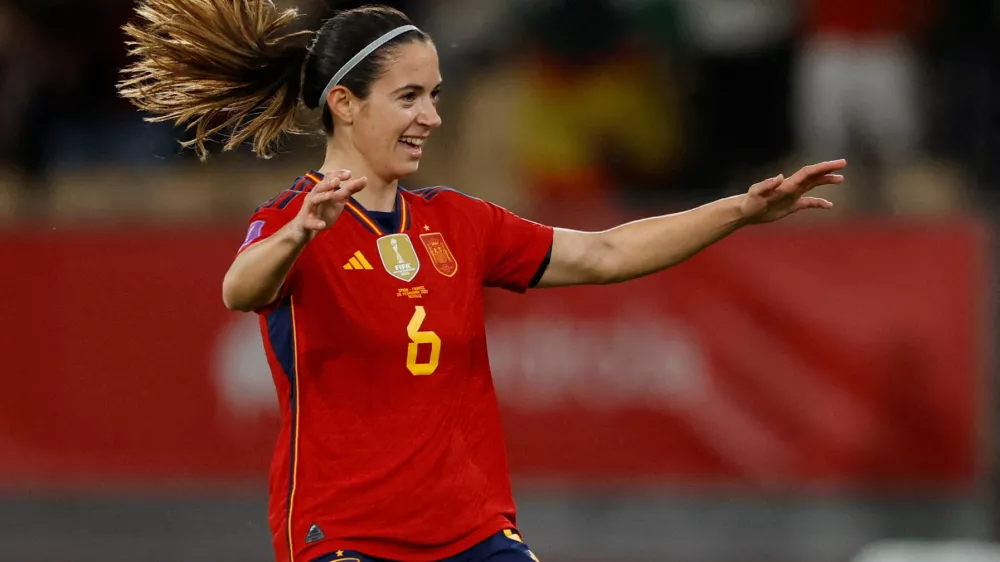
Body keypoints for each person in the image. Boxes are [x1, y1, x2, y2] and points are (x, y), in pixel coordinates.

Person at [117, 2, 846, 562]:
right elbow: (239, 289)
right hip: (345, 535)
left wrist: (742, 211)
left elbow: (607, 253)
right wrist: (302, 231)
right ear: (345, 103)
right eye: (409, 97)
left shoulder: (458, 223)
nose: (431, 116)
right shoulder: (290, 222)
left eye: (434, 95)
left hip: (473, 532)